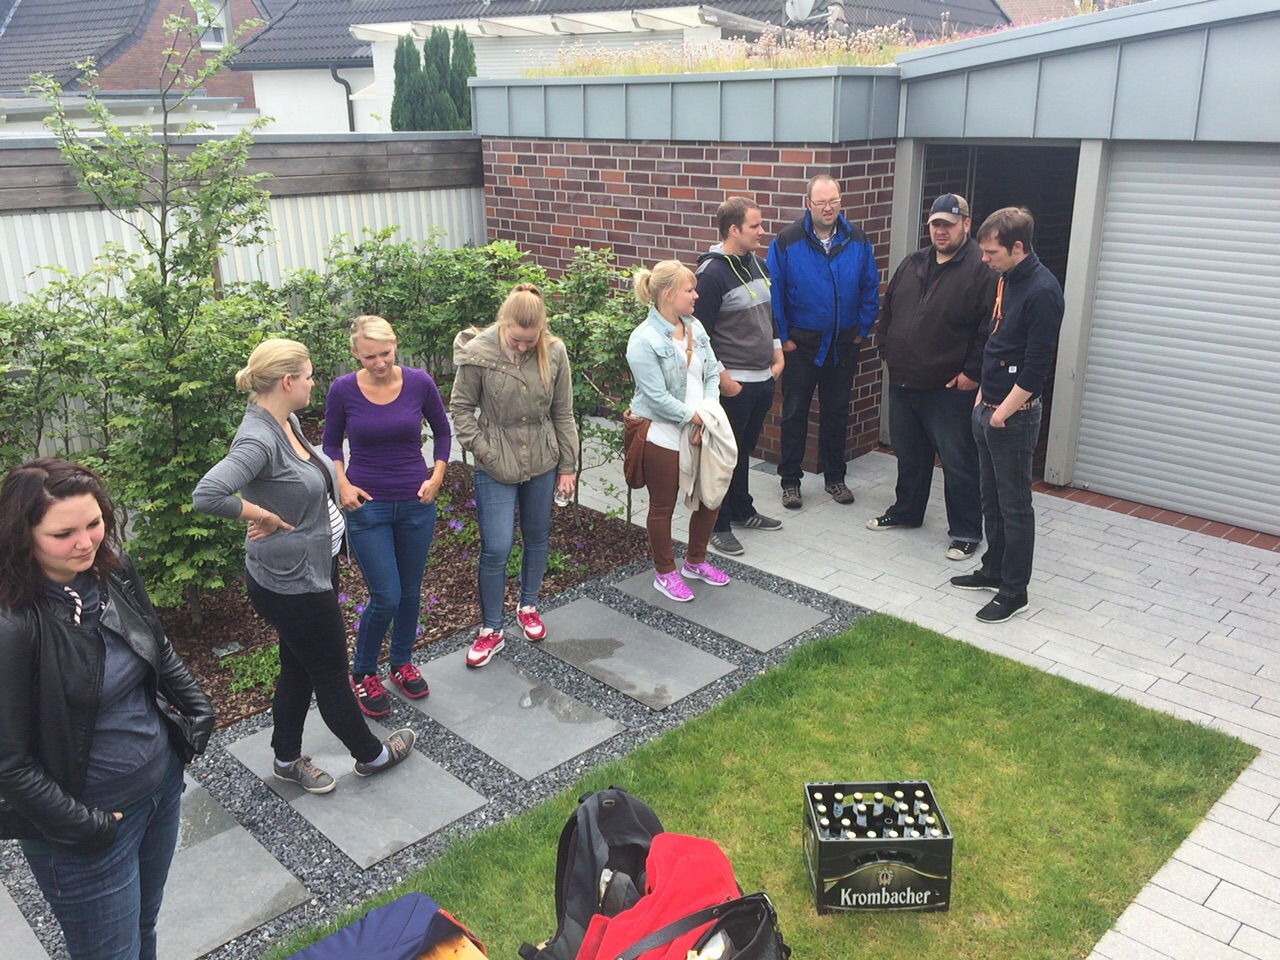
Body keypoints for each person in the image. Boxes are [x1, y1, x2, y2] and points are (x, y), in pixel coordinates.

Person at [0, 459, 214, 960]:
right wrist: (86, 826)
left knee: (144, 926)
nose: (86, 543)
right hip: (88, 831)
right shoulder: (13, 625)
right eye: (63, 534)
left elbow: (154, 643)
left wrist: (197, 710)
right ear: (22, 535)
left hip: (160, 791)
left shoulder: (111, 571)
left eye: (94, 523)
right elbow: (8, 763)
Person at [193, 338, 416, 794]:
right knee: (330, 674)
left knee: (297, 666)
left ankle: (286, 758)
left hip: (311, 567)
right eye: (310, 377)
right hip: (291, 582)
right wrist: (262, 515)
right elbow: (207, 494)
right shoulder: (258, 438)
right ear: (288, 381)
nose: (315, 383)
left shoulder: (285, 421)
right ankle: (371, 754)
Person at [323, 315, 451, 716]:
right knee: (386, 595)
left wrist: (437, 475)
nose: (379, 363)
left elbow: (443, 432)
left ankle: (401, 663)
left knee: (410, 592)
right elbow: (331, 444)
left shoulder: (420, 382)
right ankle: (363, 672)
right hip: (367, 507)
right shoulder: (343, 390)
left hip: (416, 502)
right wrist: (342, 484)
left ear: (395, 345)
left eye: (385, 353)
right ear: (355, 354)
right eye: (369, 357)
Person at [450, 284, 578, 668]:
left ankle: (529, 606)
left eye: (530, 340)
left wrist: (568, 467)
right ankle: (491, 629)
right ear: (503, 323)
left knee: (537, 534)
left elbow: (563, 413)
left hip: (542, 460)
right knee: (497, 546)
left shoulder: (555, 352)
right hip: (496, 463)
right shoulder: (478, 353)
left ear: (542, 329)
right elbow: (460, 409)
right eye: (516, 339)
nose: (523, 347)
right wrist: (485, 450)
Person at [950, 207, 1064, 623]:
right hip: (989, 406)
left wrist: (1001, 415)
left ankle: (1014, 591)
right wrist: (983, 395)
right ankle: (993, 569)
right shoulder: (1007, 279)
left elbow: (1036, 366)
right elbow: (998, 340)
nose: (984, 259)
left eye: (992, 252)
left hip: (1014, 417)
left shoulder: (1042, 291)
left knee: (1015, 506)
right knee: (991, 499)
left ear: (1018, 247)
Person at [868, 194, 996, 562]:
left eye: (949, 225)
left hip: (948, 388)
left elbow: (988, 327)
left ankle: (966, 531)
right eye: (936, 224)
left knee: (958, 462)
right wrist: (886, 351)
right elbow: (889, 311)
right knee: (909, 455)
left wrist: (972, 373)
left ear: (966, 224)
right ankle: (907, 511)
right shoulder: (914, 263)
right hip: (904, 381)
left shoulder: (981, 270)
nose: (941, 231)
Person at [767, 174, 881, 509]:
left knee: (837, 412)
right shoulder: (786, 241)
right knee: (794, 413)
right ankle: (790, 482)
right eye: (821, 202)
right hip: (801, 346)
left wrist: (861, 330)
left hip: (843, 344)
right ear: (808, 204)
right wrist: (783, 338)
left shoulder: (858, 239)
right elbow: (774, 294)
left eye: (834, 201)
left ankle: (835, 478)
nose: (828, 208)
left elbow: (870, 287)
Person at [627, 260, 733, 602]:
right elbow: (655, 398)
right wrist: (696, 419)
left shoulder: (695, 327)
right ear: (669, 294)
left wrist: (708, 413)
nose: (696, 296)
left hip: (701, 428)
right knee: (663, 507)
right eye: (690, 290)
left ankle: (695, 562)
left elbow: (712, 373)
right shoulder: (643, 340)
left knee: (710, 498)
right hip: (664, 435)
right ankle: (665, 572)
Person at [694, 197, 786, 557]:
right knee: (720, 456)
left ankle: (742, 510)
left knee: (742, 451)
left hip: (763, 378)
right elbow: (698, 335)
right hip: (732, 384)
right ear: (734, 230)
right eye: (755, 226)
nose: (762, 232)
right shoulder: (711, 275)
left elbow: (769, 316)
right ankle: (717, 526)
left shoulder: (758, 265)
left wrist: (777, 351)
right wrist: (724, 379)